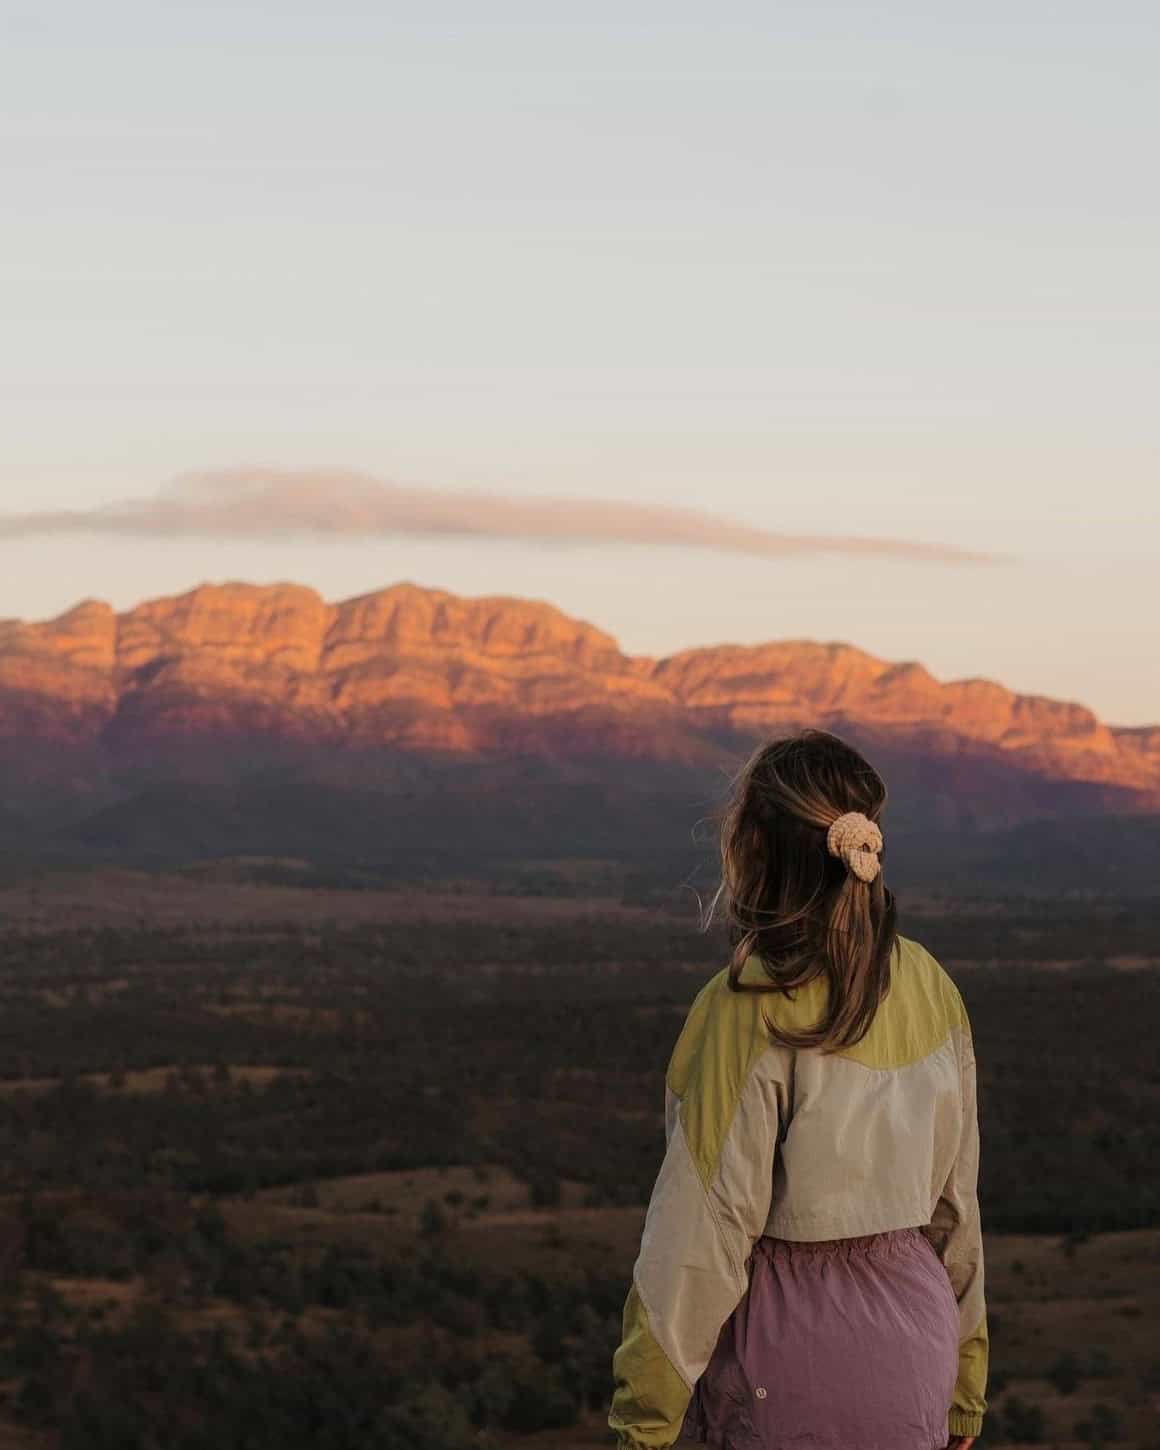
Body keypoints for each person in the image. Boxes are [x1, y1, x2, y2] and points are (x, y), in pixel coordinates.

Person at [608, 730, 987, 1450]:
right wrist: (966, 1386)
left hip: (783, 1365)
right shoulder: (931, 984)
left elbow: (700, 1236)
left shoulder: (748, 1003)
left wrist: (643, 1423)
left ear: (753, 848)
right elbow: (956, 1210)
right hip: (919, 1357)